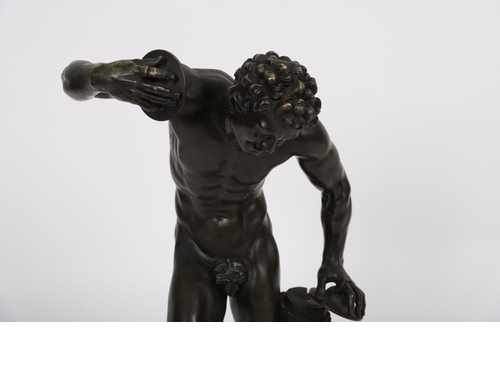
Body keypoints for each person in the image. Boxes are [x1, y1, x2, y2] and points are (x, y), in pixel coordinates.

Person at [61, 50, 365, 321]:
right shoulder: (192, 97)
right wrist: (102, 75)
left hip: (254, 247)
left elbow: (337, 189)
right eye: (264, 132)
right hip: (195, 247)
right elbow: (71, 79)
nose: (270, 147)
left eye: (281, 140)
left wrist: (333, 261)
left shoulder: (303, 135)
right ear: (242, 103)